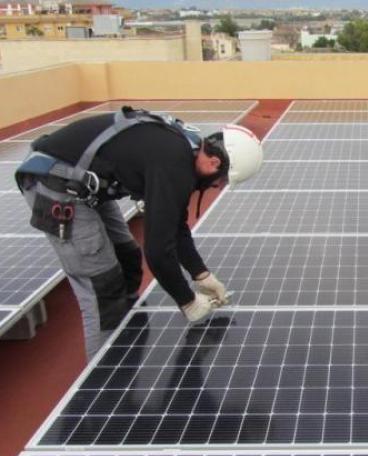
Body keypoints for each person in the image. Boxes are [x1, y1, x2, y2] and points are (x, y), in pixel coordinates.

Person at [15, 108, 263, 358]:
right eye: (222, 180)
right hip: (55, 183)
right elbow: (157, 251)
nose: (218, 186)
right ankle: (106, 371)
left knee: (128, 257)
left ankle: (125, 333)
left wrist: (201, 274)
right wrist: (188, 301)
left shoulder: (186, 151)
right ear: (215, 163)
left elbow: (174, 225)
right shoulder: (173, 165)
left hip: (84, 182)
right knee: (104, 285)